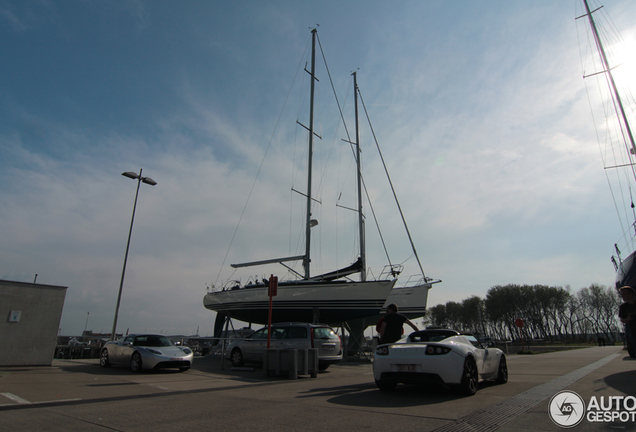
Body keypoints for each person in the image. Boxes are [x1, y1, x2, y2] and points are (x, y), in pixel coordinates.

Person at [618, 286, 636, 358]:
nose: (622, 296)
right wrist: (628, 319)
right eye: (621, 295)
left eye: (624, 294)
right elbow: (622, 320)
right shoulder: (623, 307)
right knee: (633, 351)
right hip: (630, 330)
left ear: (630, 295)